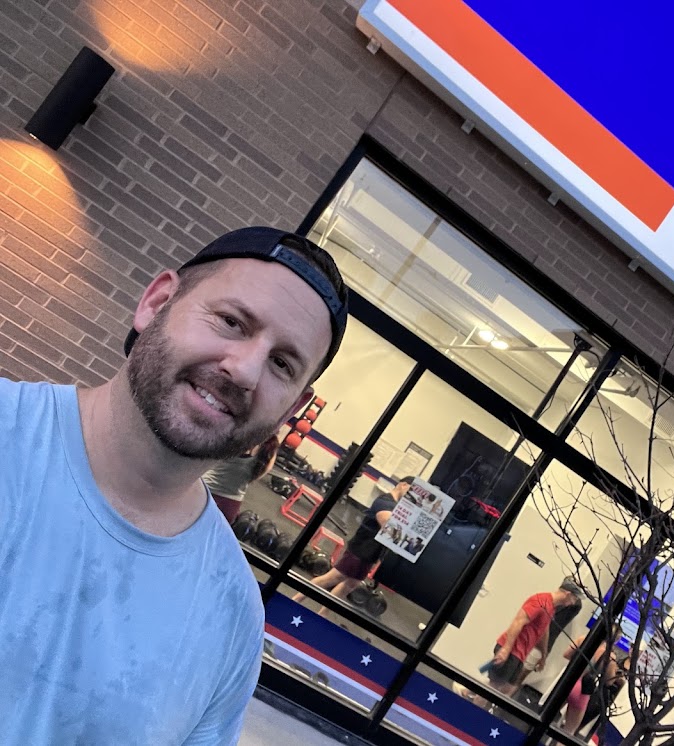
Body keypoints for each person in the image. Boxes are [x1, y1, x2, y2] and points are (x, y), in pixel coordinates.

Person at [0, 226, 348, 744]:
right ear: (156, 303)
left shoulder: (233, 616)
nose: (244, 370)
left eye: (282, 363)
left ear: (292, 409)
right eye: (232, 321)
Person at [293, 476, 415, 610]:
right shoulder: (385, 501)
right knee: (332, 578)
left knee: (351, 584)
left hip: (371, 554)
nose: (411, 496)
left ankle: (322, 613)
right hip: (360, 550)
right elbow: (388, 527)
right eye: (411, 490)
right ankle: (295, 600)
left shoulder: (397, 507)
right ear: (403, 485)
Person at [458, 578, 583, 701]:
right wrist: (506, 649)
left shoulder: (551, 608)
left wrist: (543, 655)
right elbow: (518, 622)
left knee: (507, 688)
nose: (573, 602)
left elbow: (544, 631)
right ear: (568, 594)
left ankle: (467, 691)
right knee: (494, 688)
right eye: (574, 598)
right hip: (512, 649)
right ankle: (472, 708)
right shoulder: (540, 601)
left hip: (520, 654)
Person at [561, 623, 623, 734]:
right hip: (582, 690)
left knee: (546, 715)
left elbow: (566, 654)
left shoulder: (583, 639)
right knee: (569, 730)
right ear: (615, 640)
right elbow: (609, 681)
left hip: (567, 680)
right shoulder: (609, 657)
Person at [204, 434, 280, 523]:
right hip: (230, 506)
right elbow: (260, 474)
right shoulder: (270, 449)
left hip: (206, 493)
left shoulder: (238, 434)